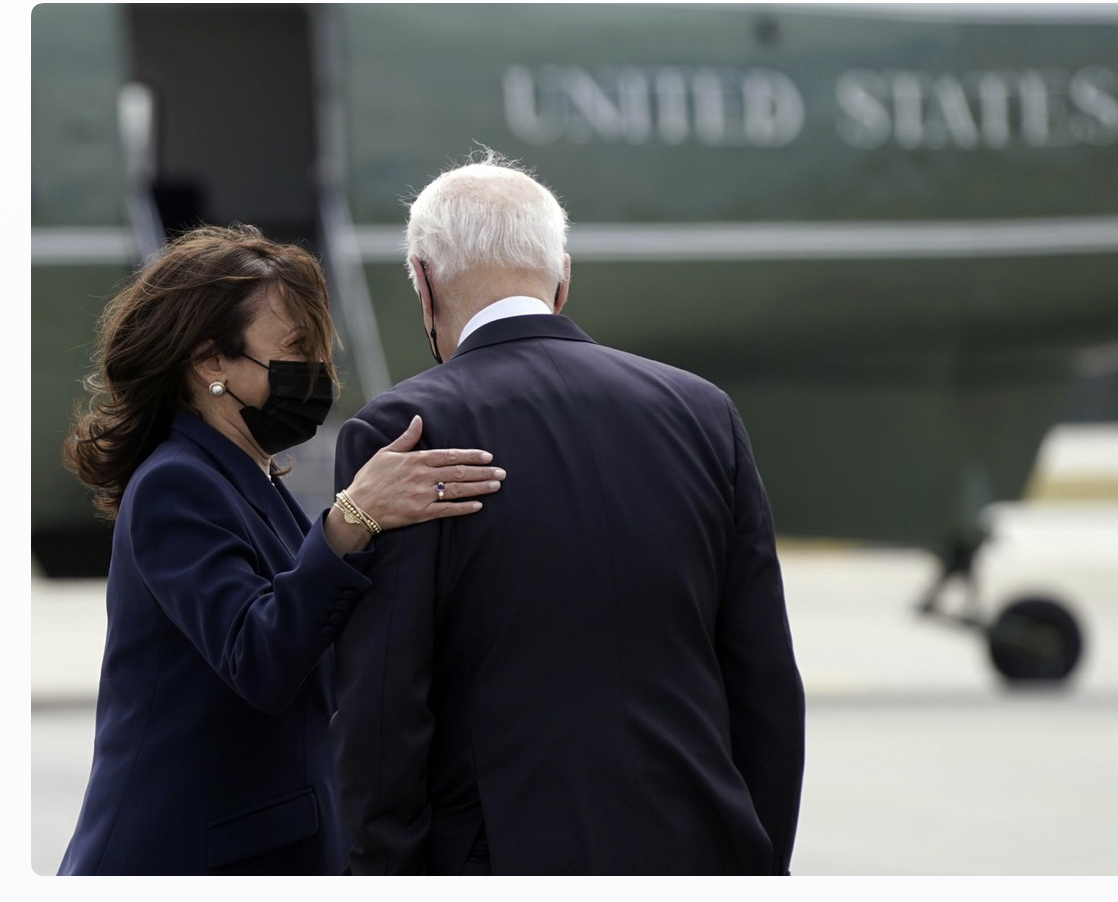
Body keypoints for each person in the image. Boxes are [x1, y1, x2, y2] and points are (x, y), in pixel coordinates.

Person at [330, 151, 806, 875]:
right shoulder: (702, 412)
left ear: (424, 285)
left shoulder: (404, 432)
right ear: (563, 275)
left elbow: (384, 708)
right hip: (700, 850)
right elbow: (764, 679)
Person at [57, 224, 507, 875]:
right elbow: (260, 657)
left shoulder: (248, 477)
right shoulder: (175, 484)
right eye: (297, 348)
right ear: (212, 363)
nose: (318, 373)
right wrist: (354, 517)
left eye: (321, 351)